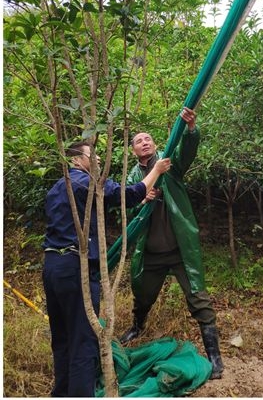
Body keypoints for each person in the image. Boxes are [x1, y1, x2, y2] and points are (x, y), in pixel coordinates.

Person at [43, 141, 171, 397]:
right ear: (77, 160)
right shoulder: (86, 182)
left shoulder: (59, 188)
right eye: (94, 155)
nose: (99, 159)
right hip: (74, 268)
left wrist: (141, 198)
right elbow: (129, 194)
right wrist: (156, 171)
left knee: (63, 339)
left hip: (52, 267)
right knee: (84, 341)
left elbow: (93, 209)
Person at [119, 107, 224, 379]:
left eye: (148, 138)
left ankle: (214, 358)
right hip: (151, 253)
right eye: (139, 140)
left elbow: (185, 153)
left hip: (180, 252)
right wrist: (143, 200)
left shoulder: (168, 164)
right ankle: (137, 326)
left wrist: (190, 130)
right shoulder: (132, 178)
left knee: (198, 297)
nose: (145, 141)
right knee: (142, 294)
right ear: (133, 151)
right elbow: (126, 211)